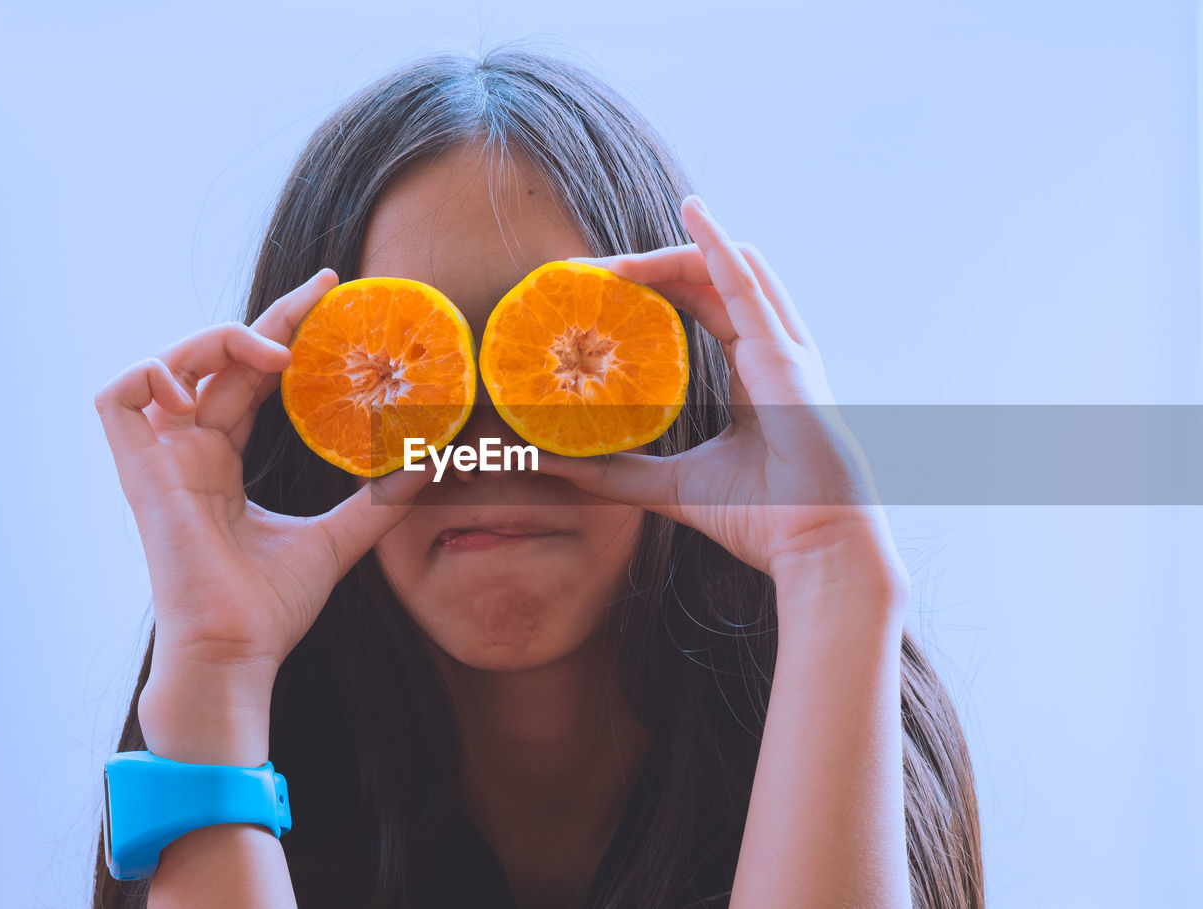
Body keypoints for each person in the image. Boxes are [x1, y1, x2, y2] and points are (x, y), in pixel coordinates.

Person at [91, 42, 983, 909]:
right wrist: (215, 666)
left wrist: (836, 569)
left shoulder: (846, 710)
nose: (487, 442)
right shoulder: (238, 728)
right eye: (410, 366)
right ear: (309, 403)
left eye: (560, 358)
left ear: (678, 381)